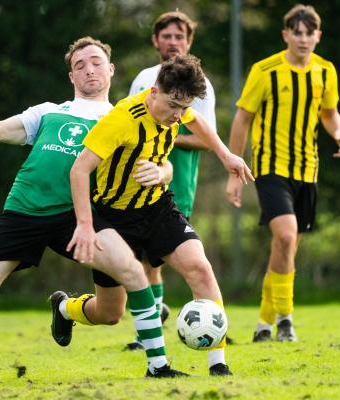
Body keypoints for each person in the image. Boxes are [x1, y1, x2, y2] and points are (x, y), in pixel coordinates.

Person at [0, 37, 187, 380]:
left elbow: (162, 161)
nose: (88, 69)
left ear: (110, 69)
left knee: (115, 307)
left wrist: (162, 172)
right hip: (23, 213)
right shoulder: (49, 111)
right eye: (79, 66)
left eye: (95, 62)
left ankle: (149, 363)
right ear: (71, 78)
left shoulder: (124, 116)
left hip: (80, 217)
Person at [65, 54, 253, 376]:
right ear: (154, 92)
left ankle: (213, 365)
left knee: (200, 268)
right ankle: (66, 308)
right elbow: (79, 169)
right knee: (110, 313)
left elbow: (198, 122)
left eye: (183, 107)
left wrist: (226, 155)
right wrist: (84, 224)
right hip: (113, 217)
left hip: (157, 207)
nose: (178, 115)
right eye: (173, 107)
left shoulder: (178, 105)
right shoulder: (122, 119)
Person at [225, 4, 340, 343]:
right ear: (286, 35)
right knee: (285, 236)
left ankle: (265, 324)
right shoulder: (265, 71)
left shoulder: (326, 71)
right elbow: (242, 119)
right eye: (297, 32)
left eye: (310, 33)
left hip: (307, 170)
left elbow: (329, 112)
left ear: (318, 36)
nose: (304, 38)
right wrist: (235, 170)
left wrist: (339, 133)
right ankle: (286, 320)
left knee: (286, 246)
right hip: (270, 168)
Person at [125, 10, 215, 350]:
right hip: (142, 179)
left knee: (171, 258)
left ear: (189, 42)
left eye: (180, 37)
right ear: (155, 41)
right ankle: (148, 328)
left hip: (179, 183)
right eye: (167, 36)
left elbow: (205, 138)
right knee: (144, 260)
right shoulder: (144, 78)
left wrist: (166, 134)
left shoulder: (201, 85)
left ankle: (204, 319)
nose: (173, 42)